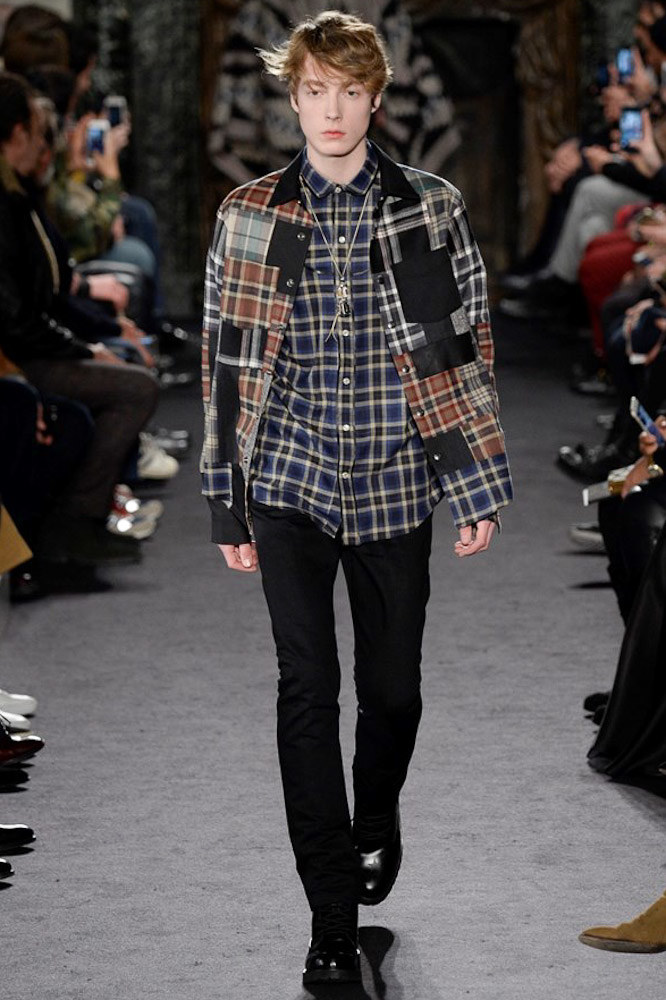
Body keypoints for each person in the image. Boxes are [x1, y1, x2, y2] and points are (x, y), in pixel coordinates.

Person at [201, 11, 512, 986]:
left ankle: (374, 813)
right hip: (289, 481)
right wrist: (225, 498)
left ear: (376, 98)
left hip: (393, 482)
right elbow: (227, 362)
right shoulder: (252, 213)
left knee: (394, 693)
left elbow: (459, 348)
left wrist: (474, 480)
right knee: (306, 690)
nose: (331, 110)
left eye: (348, 91)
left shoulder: (428, 206)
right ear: (292, 100)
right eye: (314, 92)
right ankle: (330, 919)